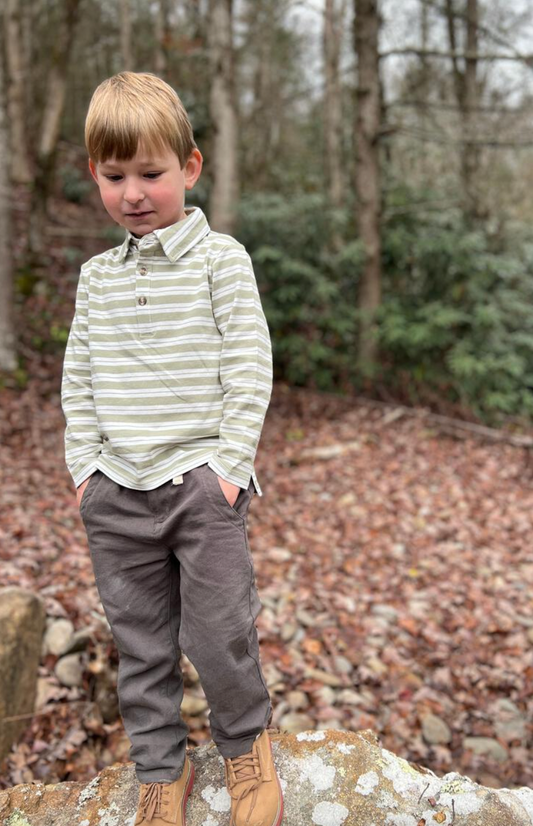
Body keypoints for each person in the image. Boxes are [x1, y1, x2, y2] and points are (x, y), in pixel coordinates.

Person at [60, 71, 282, 826]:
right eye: (114, 176)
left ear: (189, 167)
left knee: (219, 633)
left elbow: (249, 364)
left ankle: (245, 748)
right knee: (141, 643)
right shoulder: (96, 278)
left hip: (199, 484)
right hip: (116, 489)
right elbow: (79, 378)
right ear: (95, 175)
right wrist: (85, 471)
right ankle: (161, 770)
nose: (133, 194)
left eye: (150, 174)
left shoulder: (221, 260)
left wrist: (229, 468)